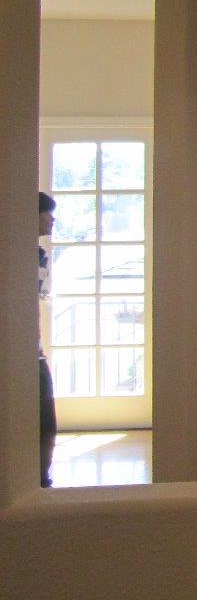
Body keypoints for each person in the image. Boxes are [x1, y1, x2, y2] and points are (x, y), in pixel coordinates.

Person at [38, 192, 57, 487]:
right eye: (47, 213)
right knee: (45, 422)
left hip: (33, 349)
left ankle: (42, 478)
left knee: (46, 421)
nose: (53, 219)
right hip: (28, 352)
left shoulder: (40, 255)